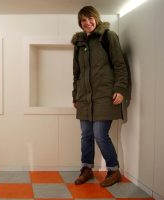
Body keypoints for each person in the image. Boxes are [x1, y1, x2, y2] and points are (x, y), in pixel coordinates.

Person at [71, 6, 129, 187]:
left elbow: (120, 65)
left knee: (100, 134)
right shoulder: (79, 44)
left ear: (96, 18)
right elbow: (77, 73)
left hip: (105, 96)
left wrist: (120, 88)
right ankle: (86, 168)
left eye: (90, 19)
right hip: (84, 98)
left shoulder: (108, 37)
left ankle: (113, 170)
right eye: (83, 21)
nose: (87, 23)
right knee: (86, 135)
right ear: (80, 24)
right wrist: (75, 95)